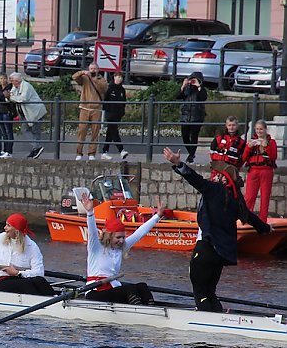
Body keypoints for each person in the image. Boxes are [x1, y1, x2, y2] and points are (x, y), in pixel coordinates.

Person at [163, 147, 271, 312]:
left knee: (200, 293)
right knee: (210, 293)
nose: (213, 176)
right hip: (220, 255)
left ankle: (205, 327)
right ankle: (219, 320)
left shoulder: (214, 190)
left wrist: (178, 163)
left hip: (205, 249)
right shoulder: (237, 201)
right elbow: (254, 220)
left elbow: (194, 179)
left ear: (224, 179)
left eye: (217, 174)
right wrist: (266, 229)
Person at [80, 191, 163, 305]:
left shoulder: (121, 247)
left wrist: (157, 216)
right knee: (129, 289)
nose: (122, 241)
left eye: (123, 237)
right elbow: (92, 231)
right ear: (109, 236)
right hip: (95, 291)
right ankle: (138, 311)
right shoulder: (96, 247)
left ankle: (152, 310)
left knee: (142, 287)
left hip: (112, 288)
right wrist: (90, 212)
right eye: (118, 237)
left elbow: (139, 233)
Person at [0, 213, 55, 295]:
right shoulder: (1, 238)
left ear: (16, 230)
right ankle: (51, 302)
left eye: (8, 225)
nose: (5, 228)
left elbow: (39, 273)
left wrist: (18, 273)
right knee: (26, 284)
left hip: (21, 278)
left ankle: (54, 298)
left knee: (39, 280)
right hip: (3, 281)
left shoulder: (32, 246)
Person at [242, 119, 278, 222]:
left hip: (266, 170)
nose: (259, 131)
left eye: (261, 129)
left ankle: (263, 221)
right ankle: (247, 219)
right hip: (253, 170)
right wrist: (249, 147)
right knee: (249, 197)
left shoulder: (272, 142)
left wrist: (266, 146)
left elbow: (273, 156)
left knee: (265, 197)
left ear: (265, 130)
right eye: (257, 129)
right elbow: (244, 158)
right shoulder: (251, 141)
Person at [72, 63, 107, 161]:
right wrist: (83, 72)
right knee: (81, 131)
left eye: (95, 69)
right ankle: (79, 152)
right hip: (84, 108)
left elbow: (105, 88)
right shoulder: (85, 78)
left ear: (98, 70)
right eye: (91, 68)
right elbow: (74, 77)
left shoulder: (102, 80)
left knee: (95, 132)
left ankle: (92, 153)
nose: (93, 70)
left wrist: (95, 80)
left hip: (96, 109)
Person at [8, 72, 46, 160]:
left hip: (35, 111)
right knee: (30, 131)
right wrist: (10, 97)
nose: (11, 82)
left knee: (30, 130)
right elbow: (11, 96)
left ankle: (37, 148)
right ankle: (36, 148)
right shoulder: (15, 86)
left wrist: (11, 98)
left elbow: (23, 99)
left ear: (17, 80)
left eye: (12, 80)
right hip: (26, 113)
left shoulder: (26, 86)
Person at [177, 71, 207, 164]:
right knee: (185, 137)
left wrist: (198, 86)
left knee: (194, 136)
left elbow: (203, 97)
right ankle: (191, 153)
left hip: (196, 116)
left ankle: (191, 156)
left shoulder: (201, 90)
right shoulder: (187, 89)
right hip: (185, 116)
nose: (192, 82)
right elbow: (178, 96)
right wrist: (183, 86)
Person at [101, 71, 128, 161]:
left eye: (121, 77)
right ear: (114, 77)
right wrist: (108, 110)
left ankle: (104, 151)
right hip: (110, 114)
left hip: (118, 114)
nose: (120, 78)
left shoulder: (122, 90)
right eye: (118, 77)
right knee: (114, 131)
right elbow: (105, 100)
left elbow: (124, 102)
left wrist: (122, 112)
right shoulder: (110, 88)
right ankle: (121, 150)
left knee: (110, 133)